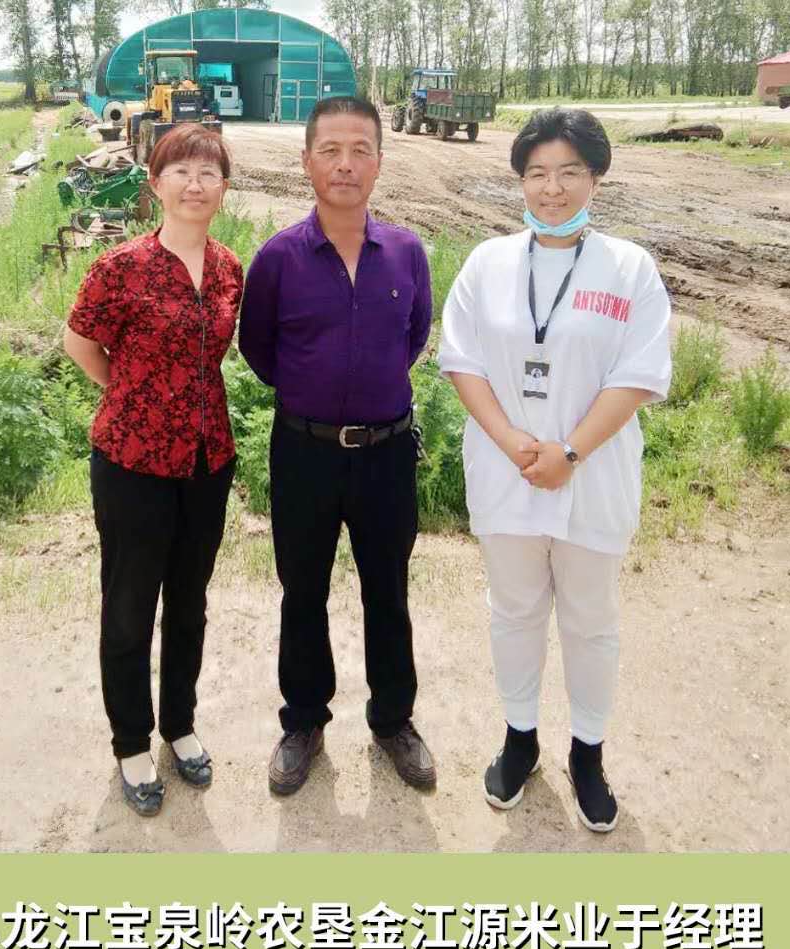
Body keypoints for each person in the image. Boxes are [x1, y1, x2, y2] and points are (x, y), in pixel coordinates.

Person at [438, 107, 672, 830]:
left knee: (590, 620)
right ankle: (519, 739)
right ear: (520, 181)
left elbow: (637, 376)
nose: (553, 188)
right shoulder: (487, 264)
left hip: (591, 476)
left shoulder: (629, 268)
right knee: (513, 612)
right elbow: (462, 361)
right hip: (506, 471)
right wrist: (513, 441)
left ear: (595, 177)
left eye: (570, 171)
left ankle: (587, 753)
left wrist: (570, 452)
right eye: (538, 173)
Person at [238, 96, 435, 796]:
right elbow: (259, 349)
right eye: (330, 150)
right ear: (307, 162)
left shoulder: (406, 252)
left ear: (378, 161)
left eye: (359, 150)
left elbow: (414, 336)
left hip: (386, 454)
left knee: (388, 590)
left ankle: (393, 720)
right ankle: (303, 722)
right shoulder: (277, 258)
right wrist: (314, 394)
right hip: (305, 453)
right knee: (303, 591)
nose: (345, 164)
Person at [63, 125, 242, 817]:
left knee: (190, 602)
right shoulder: (121, 267)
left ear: (223, 188)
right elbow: (79, 341)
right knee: (130, 605)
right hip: (131, 462)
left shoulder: (228, 268)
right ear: (155, 183)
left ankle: (180, 724)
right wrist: (128, 395)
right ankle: (131, 742)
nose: (195, 184)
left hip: (206, 459)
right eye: (181, 171)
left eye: (208, 173)